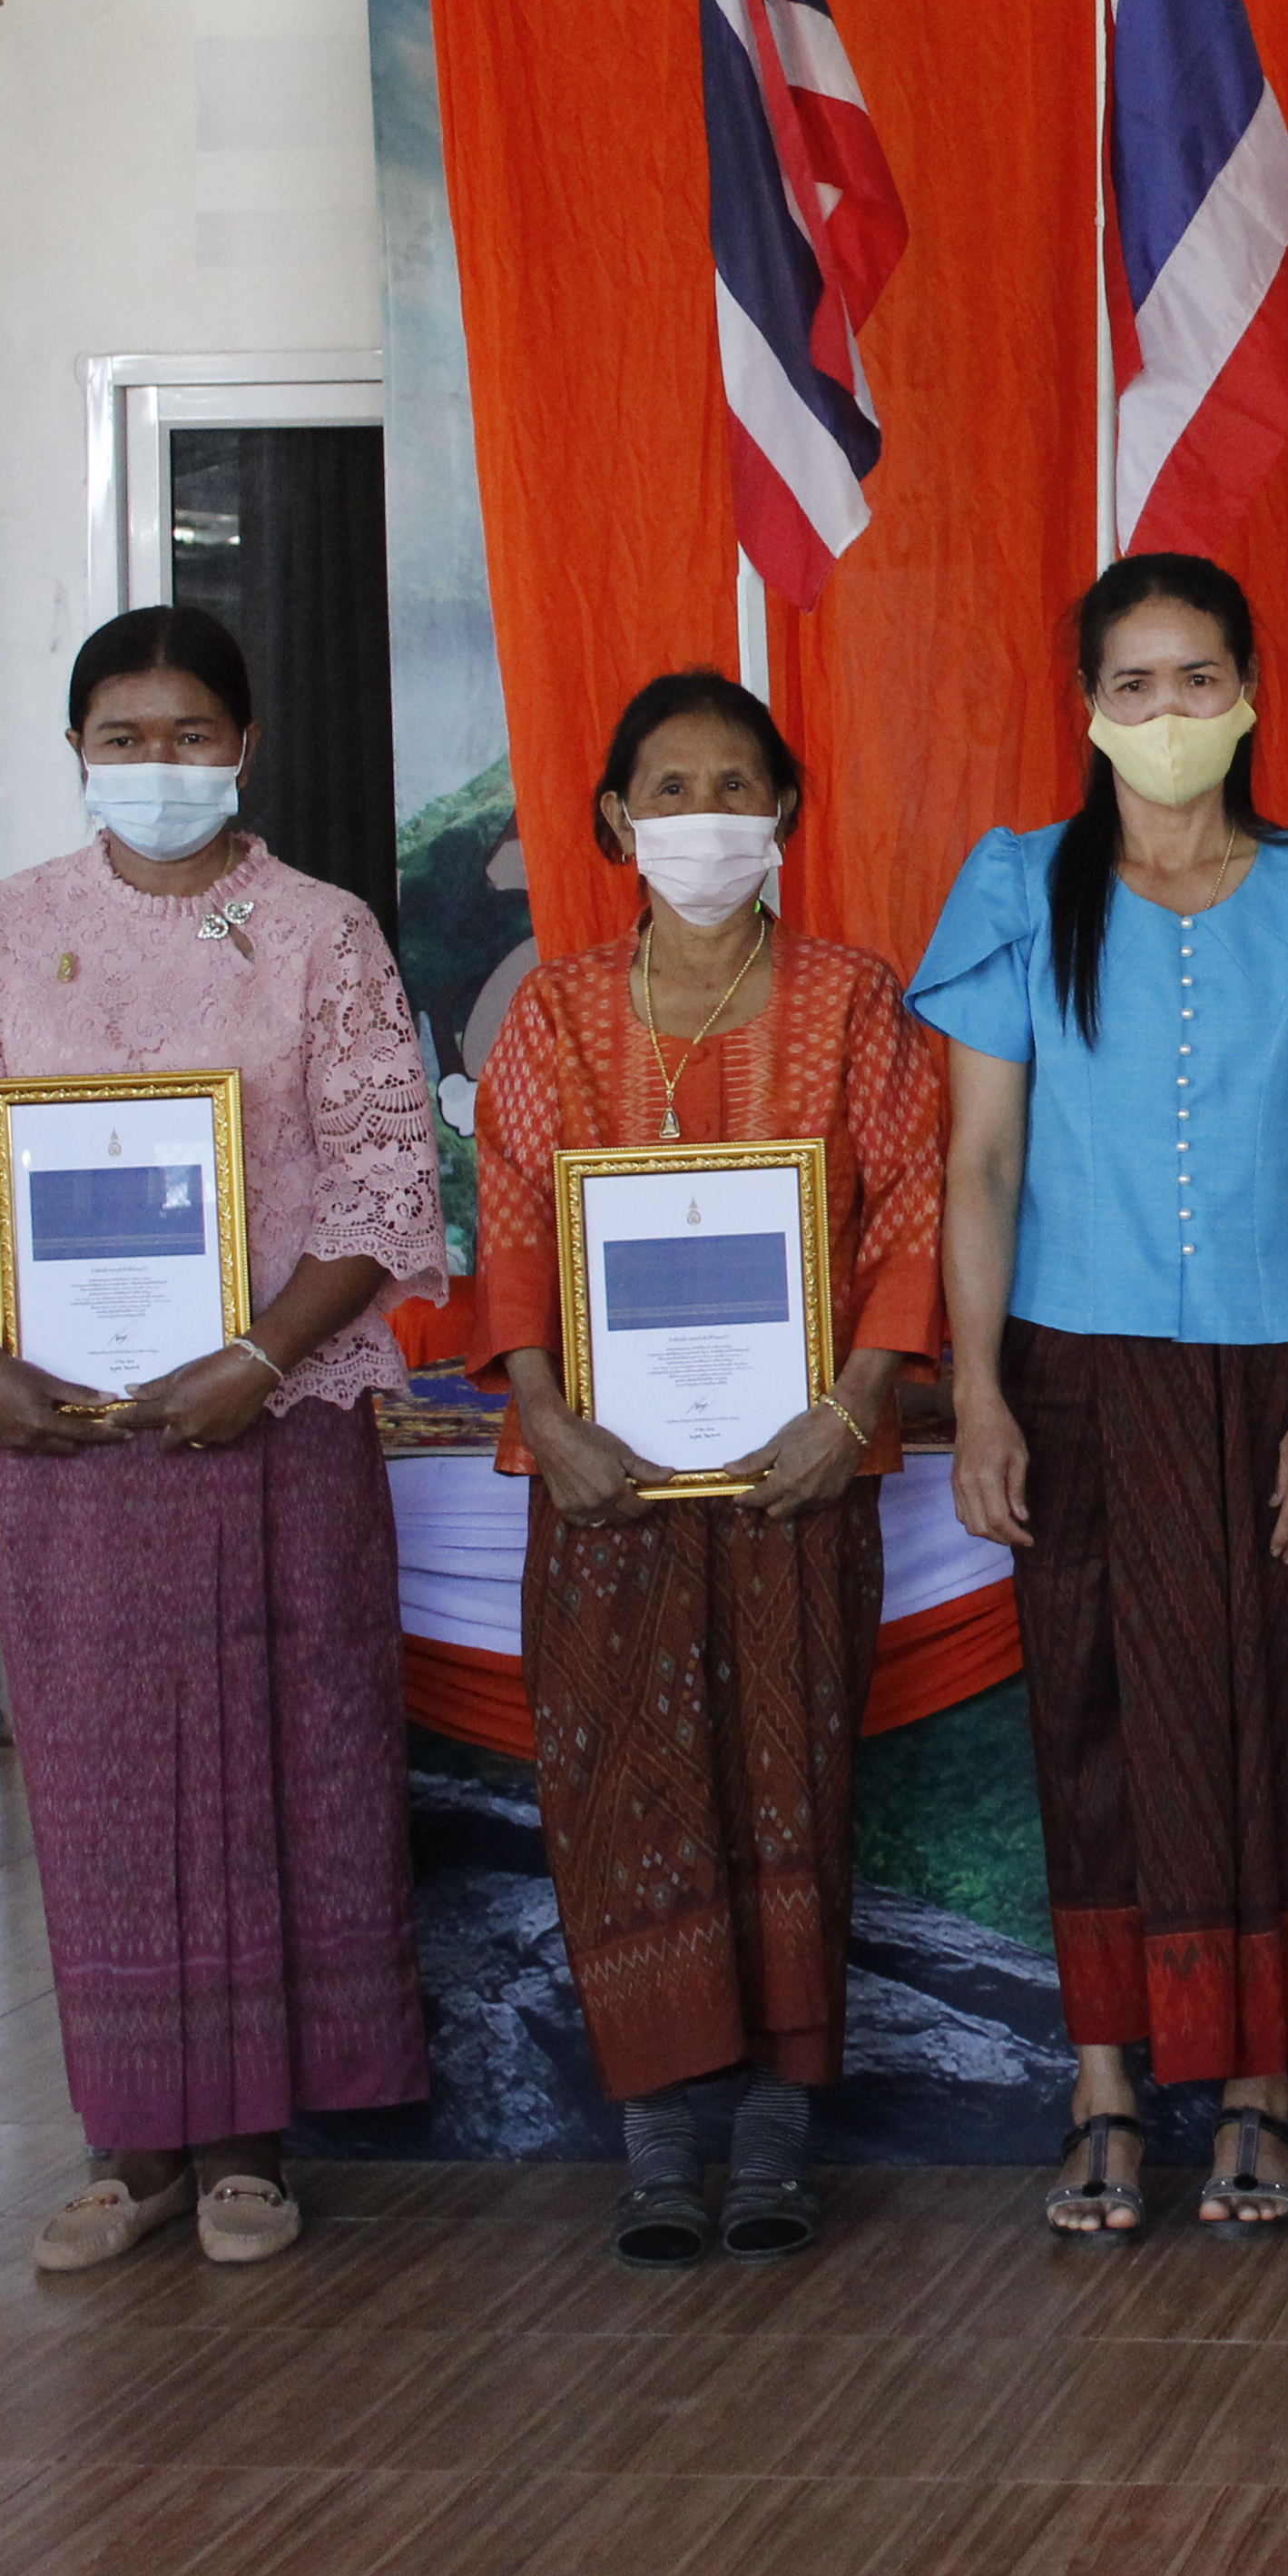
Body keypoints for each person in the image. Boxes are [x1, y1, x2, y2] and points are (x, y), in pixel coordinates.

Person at [0, 605, 444, 2275]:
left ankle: (252, 2146)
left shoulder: (319, 934)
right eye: (123, 739)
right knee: (106, 1782)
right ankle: (130, 2144)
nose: (158, 766)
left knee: (294, 1757)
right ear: (76, 754)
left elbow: (381, 1179)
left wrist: (258, 1356)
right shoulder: (1, 936)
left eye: (190, 734)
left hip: (274, 1428)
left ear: (247, 743)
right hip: (71, 1440)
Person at [919, 556, 1288, 2245]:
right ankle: (1106, 2086)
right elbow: (977, 1166)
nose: (1165, 715)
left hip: (1281, 1371)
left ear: (1250, 689)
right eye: (1130, 686)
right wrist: (977, 1392)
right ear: (1085, 710)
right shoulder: (1014, 890)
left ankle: (1259, 2094)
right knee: (1093, 1718)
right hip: (1072, 1372)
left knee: (1273, 1712)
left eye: (1195, 680)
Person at [466, 673, 945, 2269]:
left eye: (733, 782)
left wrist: (848, 1406)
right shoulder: (555, 1010)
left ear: (787, 810)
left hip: (798, 1479)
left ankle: (774, 2143)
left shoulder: (855, 1002)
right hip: (601, 1483)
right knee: (624, 1792)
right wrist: (541, 1414)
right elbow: (519, 1217)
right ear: (613, 819)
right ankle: (658, 2142)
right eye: (666, 786)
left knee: (785, 1791)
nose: (701, 814)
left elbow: (911, 1218)